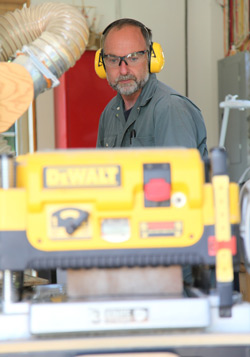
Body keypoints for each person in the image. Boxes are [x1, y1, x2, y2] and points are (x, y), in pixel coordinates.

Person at [96, 18, 208, 160]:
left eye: (133, 58)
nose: (123, 70)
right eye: (113, 60)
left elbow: (179, 179)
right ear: (102, 65)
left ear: (151, 59)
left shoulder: (170, 108)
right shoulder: (110, 113)